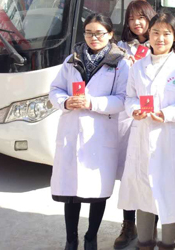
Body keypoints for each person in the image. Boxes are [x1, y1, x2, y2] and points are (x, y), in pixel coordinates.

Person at [118, 12, 175, 250]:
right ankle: (144, 243)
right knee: (143, 192)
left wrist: (167, 114)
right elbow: (130, 97)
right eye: (155, 32)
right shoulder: (138, 66)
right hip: (143, 136)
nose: (160, 38)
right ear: (149, 35)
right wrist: (134, 110)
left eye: (166, 33)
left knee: (170, 193)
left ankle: (167, 244)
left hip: (170, 139)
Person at [49, 13, 129, 250]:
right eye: (89, 33)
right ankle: (71, 239)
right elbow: (55, 89)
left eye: (99, 33)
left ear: (110, 34)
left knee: (97, 192)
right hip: (72, 131)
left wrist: (92, 103)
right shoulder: (71, 60)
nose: (94, 38)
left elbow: (123, 99)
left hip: (99, 134)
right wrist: (65, 102)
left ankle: (91, 237)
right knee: (70, 191)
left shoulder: (120, 63)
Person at [114, 0, 157, 250]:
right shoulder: (120, 48)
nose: (136, 23)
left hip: (153, 118)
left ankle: (151, 226)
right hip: (129, 116)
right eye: (131, 19)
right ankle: (128, 224)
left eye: (141, 17)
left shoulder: (161, 43)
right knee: (129, 174)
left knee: (153, 173)